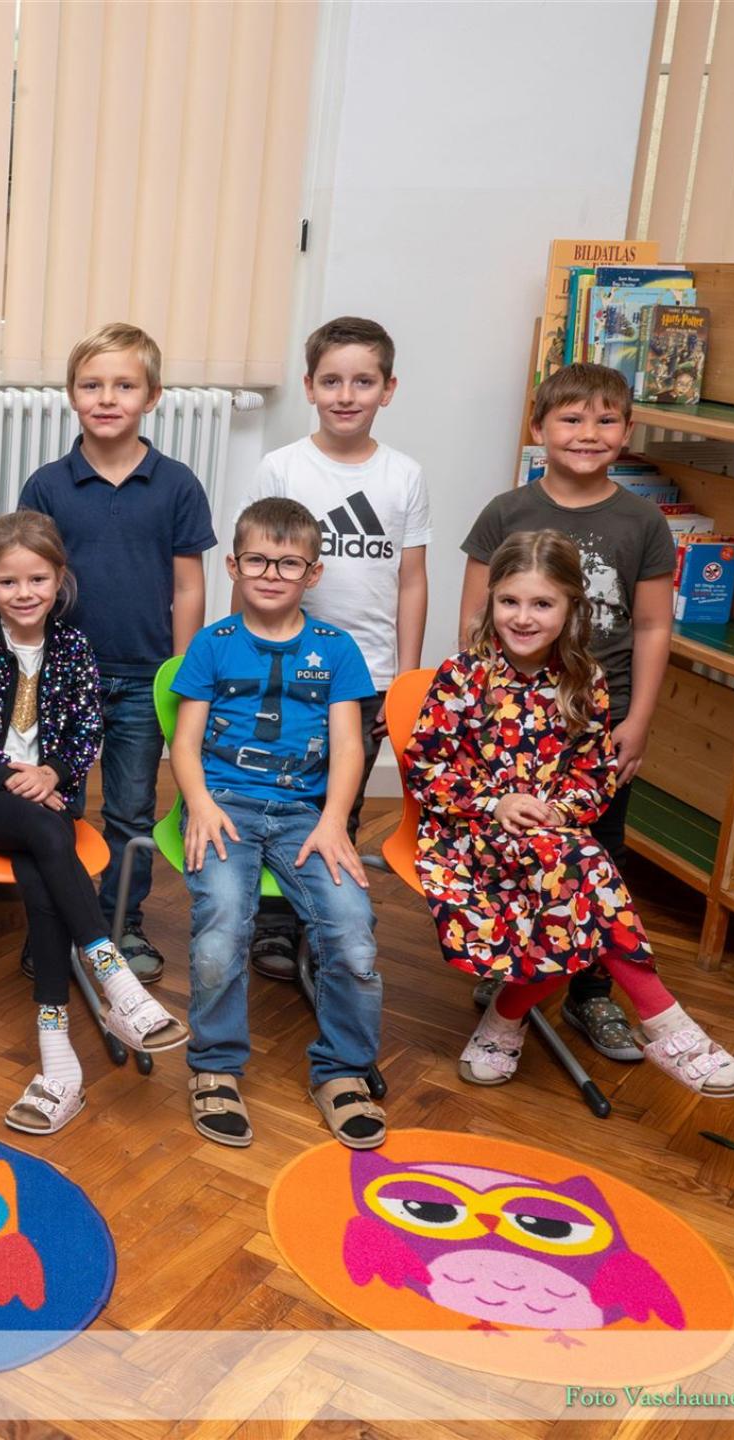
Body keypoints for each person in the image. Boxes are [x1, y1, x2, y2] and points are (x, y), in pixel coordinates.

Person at [407, 531, 734, 1097]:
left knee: (574, 880)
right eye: (510, 601)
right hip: (469, 837)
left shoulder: (585, 681)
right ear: (492, 601)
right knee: (586, 876)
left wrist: (555, 811)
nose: (523, 617)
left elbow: (595, 778)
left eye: (542, 603)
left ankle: (504, 1023)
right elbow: (425, 770)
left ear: (571, 607)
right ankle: (667, 1026)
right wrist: (496, 802)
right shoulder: (462, 676)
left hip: (552, 841)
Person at [0, 513, 189, 1135]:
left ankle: (59, 1067)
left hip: (48, 799)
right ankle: (113, 976)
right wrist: (10, 776)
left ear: (59, 579)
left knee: (43, 862)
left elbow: (83, 733)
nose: (24, 593)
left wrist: (51, 772)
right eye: (8, 581)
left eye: (37, 579)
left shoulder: (74, 648)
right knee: (49, 836)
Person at [459, 362, 675, 1065]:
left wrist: (637, 721)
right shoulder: (505, 512)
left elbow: (652, 626)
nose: (588, 433)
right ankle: (510, 967)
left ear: (628, 431)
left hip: (599, 724)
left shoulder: (642, 521)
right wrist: (483, 717)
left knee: (600, 853)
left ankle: (590, 993)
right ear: (539, 428)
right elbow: (474, 623)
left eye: (606, 420)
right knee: (517, 848)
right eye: (571, 418)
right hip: (513, 725)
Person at [171, 498, 385, 1151]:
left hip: (304, 815)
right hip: (225, 805)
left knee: (353, 935)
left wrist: (335, 822)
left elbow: (348, 746)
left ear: (312, 574)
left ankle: (343, 1069)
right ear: (233, 566)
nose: (271, 574)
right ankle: (214, 1066)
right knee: (220, 930)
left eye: (288, 564)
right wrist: (200, 804)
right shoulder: (212, 645)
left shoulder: (337, 650)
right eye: (258, 560)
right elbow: (185, 743)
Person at [18, 324, 215, 983]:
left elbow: (188, 586)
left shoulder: (176, 484)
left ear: (152, 396)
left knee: (130, 809)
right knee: (56, 808)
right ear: (72, 394)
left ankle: (121, 923)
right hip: (61, 679)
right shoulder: (47, 486)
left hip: (143, 675)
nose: (107, 398)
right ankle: (58, 922)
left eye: (124, 385)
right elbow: (25, 581)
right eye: (92, 385)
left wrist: (182, 673)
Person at [241, 317, 429, 982]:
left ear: (388, 389)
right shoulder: (282, 467)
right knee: (278, 793)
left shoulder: (404, 475)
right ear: (309, 387)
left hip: (367, 675)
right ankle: (274, 923)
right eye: (331, 381)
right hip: (285, 671)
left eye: (363, 381)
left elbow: (412, 579)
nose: (346, 395)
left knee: (339, 804)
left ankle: (326, 923)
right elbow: (254, 563)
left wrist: (404, 679)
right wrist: (244, 657)